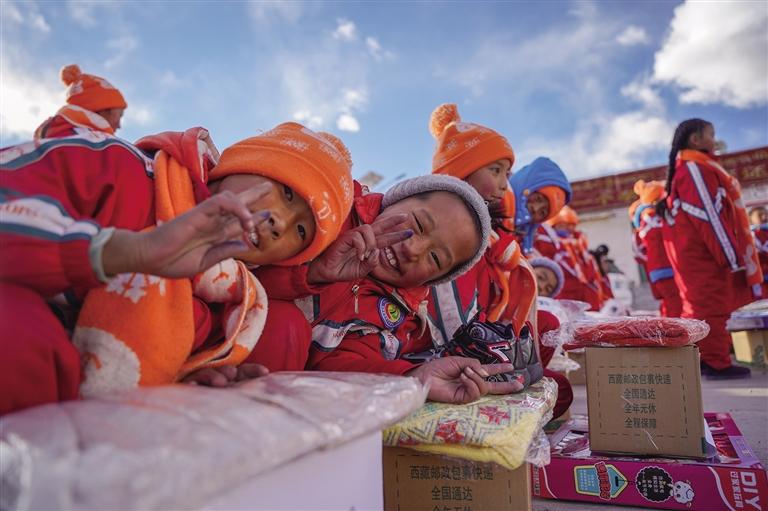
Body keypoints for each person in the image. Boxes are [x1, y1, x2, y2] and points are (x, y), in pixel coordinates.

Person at [0, 122, 356, 414]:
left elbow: (144, 371)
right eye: (287, 192)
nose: (281, 223)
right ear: (245, 164)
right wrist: (124, 252)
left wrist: (178, 386)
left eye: (301, 231)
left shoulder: (233, 303)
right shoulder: (118, 165)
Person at [303, 174, 527, 404]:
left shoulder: (396, 319)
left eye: (435, 258)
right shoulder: (327, 212)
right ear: (392, 202)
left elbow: (332, 368)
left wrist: (413, 377)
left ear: (434, 279)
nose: (413, 250)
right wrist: (310, 274)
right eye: (419, 225)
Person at [423, 104, 573, 417]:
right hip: (452, 348)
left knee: (546, 338)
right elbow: (451, 313)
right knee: (552, 383)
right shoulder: (456, 232)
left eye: (507, 173)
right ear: (461, 170)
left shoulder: (490, 234)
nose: (505, 184)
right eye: (495, 171)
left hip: (481, 328)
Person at [659, 118, 763, 379]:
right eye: (710, 134)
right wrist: (729, 254)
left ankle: (706, 359)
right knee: (711, 305)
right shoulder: (694, 168)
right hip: (703, 254)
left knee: (701, 306)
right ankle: (717, 363)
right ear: (695, 140)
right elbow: (708, 214)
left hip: (698, 253)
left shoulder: (692, 167)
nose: (714, 140)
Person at [629, 180, 682, 317]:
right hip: (667, 267)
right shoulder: (657, 219)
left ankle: (665, 328)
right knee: (675, 305)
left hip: (655, 270)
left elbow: (638, 254)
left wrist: (650, 263)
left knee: (667, 304)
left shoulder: (642, 223)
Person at [536, 206, 602, 310]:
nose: (569, 229)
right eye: (562, 225)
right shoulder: (550, 245)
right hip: (563, 300)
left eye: (572, 225)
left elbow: (592, 277)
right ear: (553, 226)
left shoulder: (581, 247)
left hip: (586, 299)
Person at [34, 64, 127, 139]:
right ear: (103, 109)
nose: (119, 126)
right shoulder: (87, 141)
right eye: (119, 115)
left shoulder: (58, 131)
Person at [507, 157, 572, 255]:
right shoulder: (492, 199)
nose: (535, 208)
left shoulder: (525, 239)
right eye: (538, 198)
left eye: (542, 212)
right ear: (527, 185)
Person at [749, 206, 768, 296]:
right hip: (762, 275)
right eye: (760, 215)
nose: (764, 217)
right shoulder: (751, 235)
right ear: (750, 219)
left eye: (766, 214)